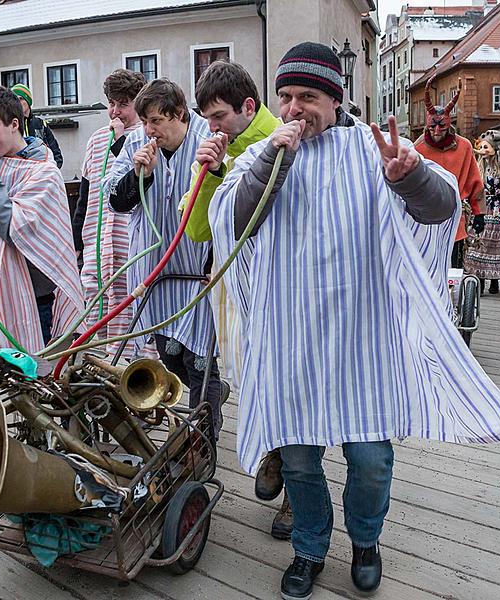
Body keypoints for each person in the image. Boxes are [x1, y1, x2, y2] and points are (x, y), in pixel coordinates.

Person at [208, 42, 500, 600]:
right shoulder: (264, 155)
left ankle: (365, 542)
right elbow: (231, 223)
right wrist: (269, 164)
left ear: (335, 98)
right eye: (285, 97)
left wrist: (408, 178)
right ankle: (308, 548)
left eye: (307, 96)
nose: (293, 108)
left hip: (365, 333)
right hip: (293, 333)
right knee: (300, 457)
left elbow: (441, 207)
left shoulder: (372, 149)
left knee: (371, 458)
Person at [177, 59, 292, 537]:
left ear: (249, 107)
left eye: (219, 116)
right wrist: (207, 172)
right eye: (206, 118)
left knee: (291, 383)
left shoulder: (283, 139)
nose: (212, 127)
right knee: (253, 376)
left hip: (285, 286)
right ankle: (277, 451)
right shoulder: (216, 147)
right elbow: (198, 228)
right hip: (235, 286)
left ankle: (297, 492)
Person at [104, 78, 230, 423]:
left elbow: (231, 192)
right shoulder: (135, 143)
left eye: (156, 121)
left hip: (199, 271)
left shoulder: (210, 136)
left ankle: (203, 438)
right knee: (171, 357)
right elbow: (116, 199)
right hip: (157, 273)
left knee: (199, 360)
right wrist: (139, 175)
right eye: (145, 121)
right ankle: (206, 405)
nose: (149, 130)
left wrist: (218, 169)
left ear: (179, 114)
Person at [0, 85, 83, 352]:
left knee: (28, 381)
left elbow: (12, 228)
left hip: (31, 299)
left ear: (14, 124)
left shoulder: (43, 173)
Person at [72, 69, 155, 358]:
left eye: (123, 104)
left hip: (129, 253)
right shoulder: (95, 141)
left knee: (130, 330)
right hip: (96, 255)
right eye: (111, 103)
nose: (115, 111)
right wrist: (78, 246)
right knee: (94, 329)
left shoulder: (147, 138)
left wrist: (121, 141)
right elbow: (85, 195)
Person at [413, 75, 486, 268]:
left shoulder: (464, 146)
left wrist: (479, 213)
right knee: (426, 267)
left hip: (454, 217)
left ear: (449, 124)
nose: (437, 131)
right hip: (423, 219)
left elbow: (474, 181)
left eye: (441, 126)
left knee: (452, 270)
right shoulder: (417, 149)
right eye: (432, 126)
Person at [465, 130, 500, 293]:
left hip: (498, 209)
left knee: (495, 245)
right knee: (479, 243)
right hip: (481, 207)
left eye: (486, 146)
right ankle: (479, 279)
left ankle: (494, 280)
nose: (483, 149)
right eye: (481, 146)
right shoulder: (477, 166)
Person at [11, 83, 64, 169]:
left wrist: (51, 171)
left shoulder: (40, 124)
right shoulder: (10, 125)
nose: (18, 103)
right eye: (15, 100)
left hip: (42, 172)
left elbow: (56, 154)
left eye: (21, 99)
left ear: (28, 101)